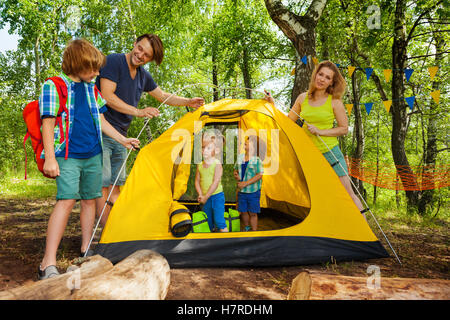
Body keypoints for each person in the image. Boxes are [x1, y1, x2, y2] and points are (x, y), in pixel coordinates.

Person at [38, 39, 140, 280]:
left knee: (90, 200)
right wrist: (50, 158)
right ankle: (47, 262)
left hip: (93, 154)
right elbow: (48, 123)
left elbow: (102, 121)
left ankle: (85, 250)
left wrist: (123, 140)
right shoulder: (54, 86)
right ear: (76, 64)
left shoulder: (92, 89)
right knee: (66, 200)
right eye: (92, 69)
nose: (97, 73)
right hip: (67, 155)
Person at [95, 33, 204, 225]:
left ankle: (116, 232)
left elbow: (162, 96)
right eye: (140, 49)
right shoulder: (113, 61)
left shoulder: (143, 76)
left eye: (146, 55)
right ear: (134, 43)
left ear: (150, 59)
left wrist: (188, 101)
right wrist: (138, 112)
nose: (140, 55)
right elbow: (106, 96)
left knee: (116, 189)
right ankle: (104, 239)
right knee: (103, 189)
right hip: (101, 132)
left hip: (122, 138)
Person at [265, 60, 365, 215]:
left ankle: (366, 236)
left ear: (332, 82)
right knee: (316, 196)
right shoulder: (302, 98)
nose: (322, 79)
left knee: (348, 193)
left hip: (330, 153)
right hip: (309, 155)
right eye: (320, 74)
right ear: (315, 75)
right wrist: (272, 105)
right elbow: (287, 122)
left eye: (327, 77)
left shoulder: (335, 102)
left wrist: (320, 131)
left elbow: (344, 129)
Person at [195, 136, 228, 232]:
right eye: (203, 147)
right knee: (208, 221)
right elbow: (197, 181)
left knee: (219, 221)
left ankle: (228, 243)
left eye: (208, 148)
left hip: (217, 197)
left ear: (216, 151)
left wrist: (205, 197)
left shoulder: (217, 164)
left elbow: (215, 182)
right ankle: (211, 241)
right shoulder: (200, 165)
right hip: (206, 197)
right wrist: (201, 194)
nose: (204, 150)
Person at [234, 136, 264, 231]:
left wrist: (245, 183)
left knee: (253, 213)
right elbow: (235, 170)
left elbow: (260, 174)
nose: (245, 142)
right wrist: (236, 175)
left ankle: (254, 231)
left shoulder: (257, 160)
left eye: (248, 142)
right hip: (242, 191)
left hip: (253, 192)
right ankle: (247, 227)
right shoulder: (240, 157)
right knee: (243, 211)